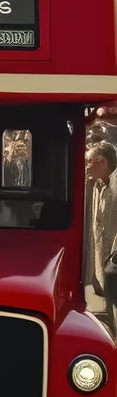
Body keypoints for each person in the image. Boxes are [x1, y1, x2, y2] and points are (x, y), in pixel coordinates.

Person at [88, 135, 117, 338]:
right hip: (103, 251)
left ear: (104, 162)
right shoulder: (97, 184)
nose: (87, 167)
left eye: (90, 161)